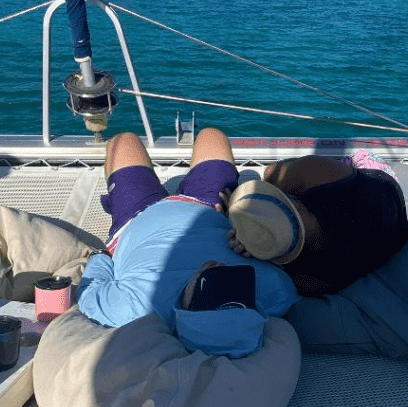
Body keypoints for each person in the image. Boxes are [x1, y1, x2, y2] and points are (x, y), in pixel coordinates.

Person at [76, 129, 300, 358]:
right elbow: (283, 259)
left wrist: (102, 255)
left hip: (136, 217)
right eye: (235, 292)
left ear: (184, 312)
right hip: (210, 209)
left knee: (123, 140)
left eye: (209, 287)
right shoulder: (275, 293)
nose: (218, 268)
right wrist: (243, 231)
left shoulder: (132, 309)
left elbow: (89, 290)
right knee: (212, 135)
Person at [227, 151, 408, 296]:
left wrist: (251, 238)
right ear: (297, 205)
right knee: (273, 173)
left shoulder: (310, 280)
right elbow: (270, 173)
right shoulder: (317, 174)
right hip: (388, 194)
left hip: (389, 220)